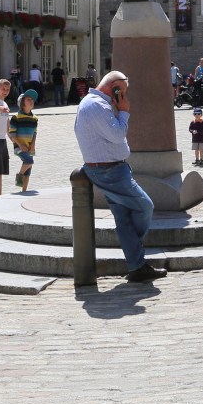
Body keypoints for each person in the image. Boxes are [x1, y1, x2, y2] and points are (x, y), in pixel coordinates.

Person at [74, 71, 163, 282]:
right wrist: (124, 111)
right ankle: (133, 247)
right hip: (108, 171)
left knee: (124, 219)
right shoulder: (96, 105)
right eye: (121, 92)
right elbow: (116, 134)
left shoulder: (98, 103)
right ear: (113, 86)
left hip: (113, 168)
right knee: (144, 206)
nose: (123, 97)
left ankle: (136, 266)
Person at [10, 89, 39, 191]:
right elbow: (12, 134)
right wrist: (20, 145)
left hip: (29, 146)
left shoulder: (34, 118)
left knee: (28, 170)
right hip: (19, 147)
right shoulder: (16, 117)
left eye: (32, 100)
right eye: (28, 99)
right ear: (22, 102)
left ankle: (24, 190)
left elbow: (35, 133)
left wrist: (33, 144)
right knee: (29, 161)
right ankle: (19, 175)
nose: (31, 101)